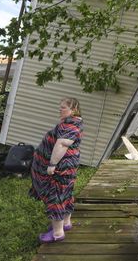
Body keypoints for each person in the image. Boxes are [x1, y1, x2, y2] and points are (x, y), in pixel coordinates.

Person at [29, 97, 83, 243]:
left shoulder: (70, 125)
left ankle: (57, 233)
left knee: (56, 197)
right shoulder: (70, 123)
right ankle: (65, 223)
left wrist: (52, 164)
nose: (60, 109)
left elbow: (62, 144)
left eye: (64, 107)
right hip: (66, 168)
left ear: (73, 110)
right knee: (65, 194)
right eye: (60, 107)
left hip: (60, 169)